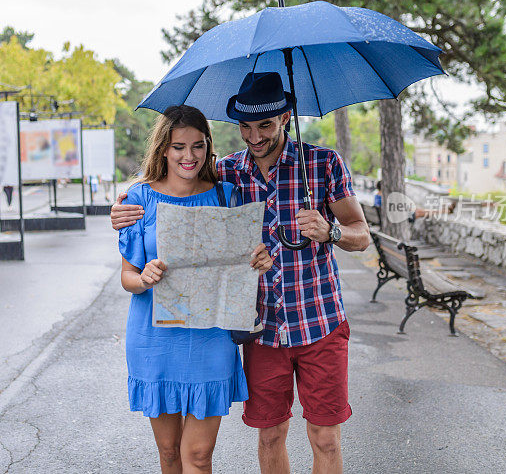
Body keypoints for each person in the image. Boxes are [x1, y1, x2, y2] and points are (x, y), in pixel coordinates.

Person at [112, 73, 370, 474]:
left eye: (264, 125)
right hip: (262, 329)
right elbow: (175, 187)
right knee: (269, 436)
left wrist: (330, 230)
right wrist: (121, 210)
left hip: (319, 320)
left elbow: (361, 235)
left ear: (285, 117)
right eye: (244, 127)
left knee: (326, 440)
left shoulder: (322, 164)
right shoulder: (228, 175)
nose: (253, 137)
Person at [119, 104, 273, 473]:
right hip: (155, 339)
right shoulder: (139, 199)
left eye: (198, 145)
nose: (189, 156)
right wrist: (144, 278)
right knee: (170, 452)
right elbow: (127, 277)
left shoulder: (229, 195)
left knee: (199, 457)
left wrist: (259, 262)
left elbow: (243, 265)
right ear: (163, 150)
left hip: (211, 338)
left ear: (209, 147)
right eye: (178, 147)